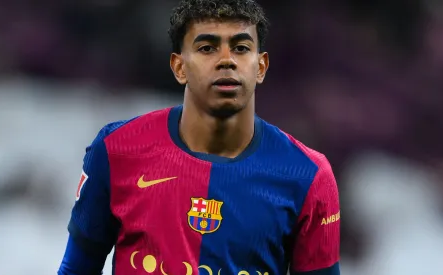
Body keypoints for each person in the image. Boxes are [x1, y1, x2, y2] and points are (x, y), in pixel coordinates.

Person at [57, 0, 341, 274]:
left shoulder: (308, 175)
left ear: (261, 67)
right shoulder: (116, 149)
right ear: (179, 67)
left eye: (241, 48)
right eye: (207, 48)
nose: (226, 61)